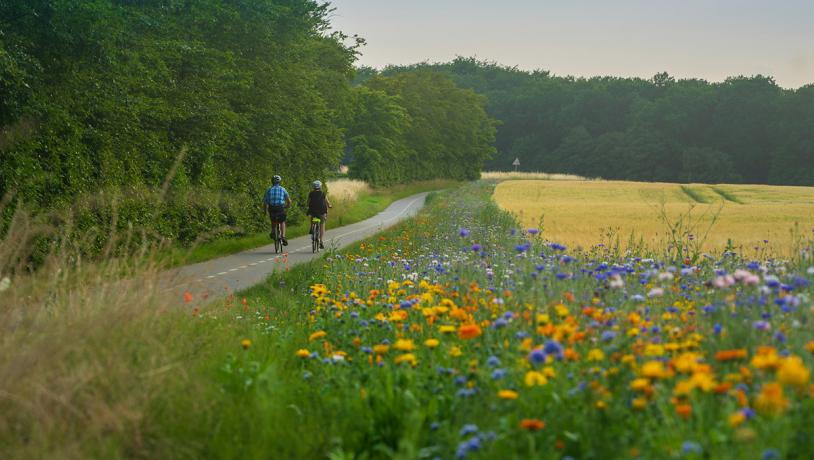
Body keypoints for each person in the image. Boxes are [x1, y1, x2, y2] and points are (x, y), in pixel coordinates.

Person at [263, 175, 291, 245]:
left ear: (272, 181)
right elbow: (289, 201)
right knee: (282, 222)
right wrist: (287, 206)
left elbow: (265, 202)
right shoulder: (283, 189)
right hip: (280, 208)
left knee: (273, 220)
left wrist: (265, 211)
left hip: (272, 208)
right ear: (279, 182)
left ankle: (273, 232)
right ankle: (283, 237)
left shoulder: (268, 189)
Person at [307, 180, 331, 249]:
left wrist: (308, 206)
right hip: (321, 211)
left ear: (313, 187)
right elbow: (327, 201)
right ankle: (321, 241)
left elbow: (308, 202)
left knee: (312, 217)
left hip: (313, 211)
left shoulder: (311, 193)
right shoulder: (323, 193)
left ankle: (312, 228)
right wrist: (329, 205)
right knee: (322, 225)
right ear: (320, 186)